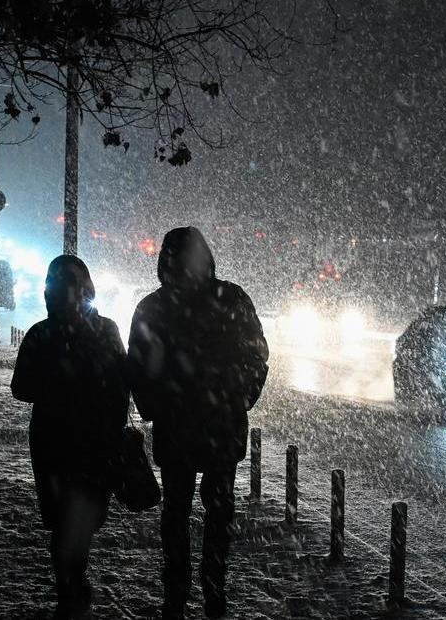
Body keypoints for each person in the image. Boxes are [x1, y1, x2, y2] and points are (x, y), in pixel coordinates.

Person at [128, 226, 269, 620]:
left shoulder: (154, 308)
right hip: (220, 423)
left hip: (181, 424)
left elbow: (138, 367)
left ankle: (178, 590)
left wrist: (155, 404)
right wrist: (238, 397)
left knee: (177, 511)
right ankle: (212, 588)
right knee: (217, 510)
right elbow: (257, 356)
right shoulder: (231, 298)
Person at [11, 255, 130, 620]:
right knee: (79, 518)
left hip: (54, 442)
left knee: (65, 518)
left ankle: (70, 586)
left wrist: (55, 383)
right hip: (93, 442)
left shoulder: (40, 334)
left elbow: (21, 388)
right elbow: (122, 385)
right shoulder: (105, 330)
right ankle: (73, 585)